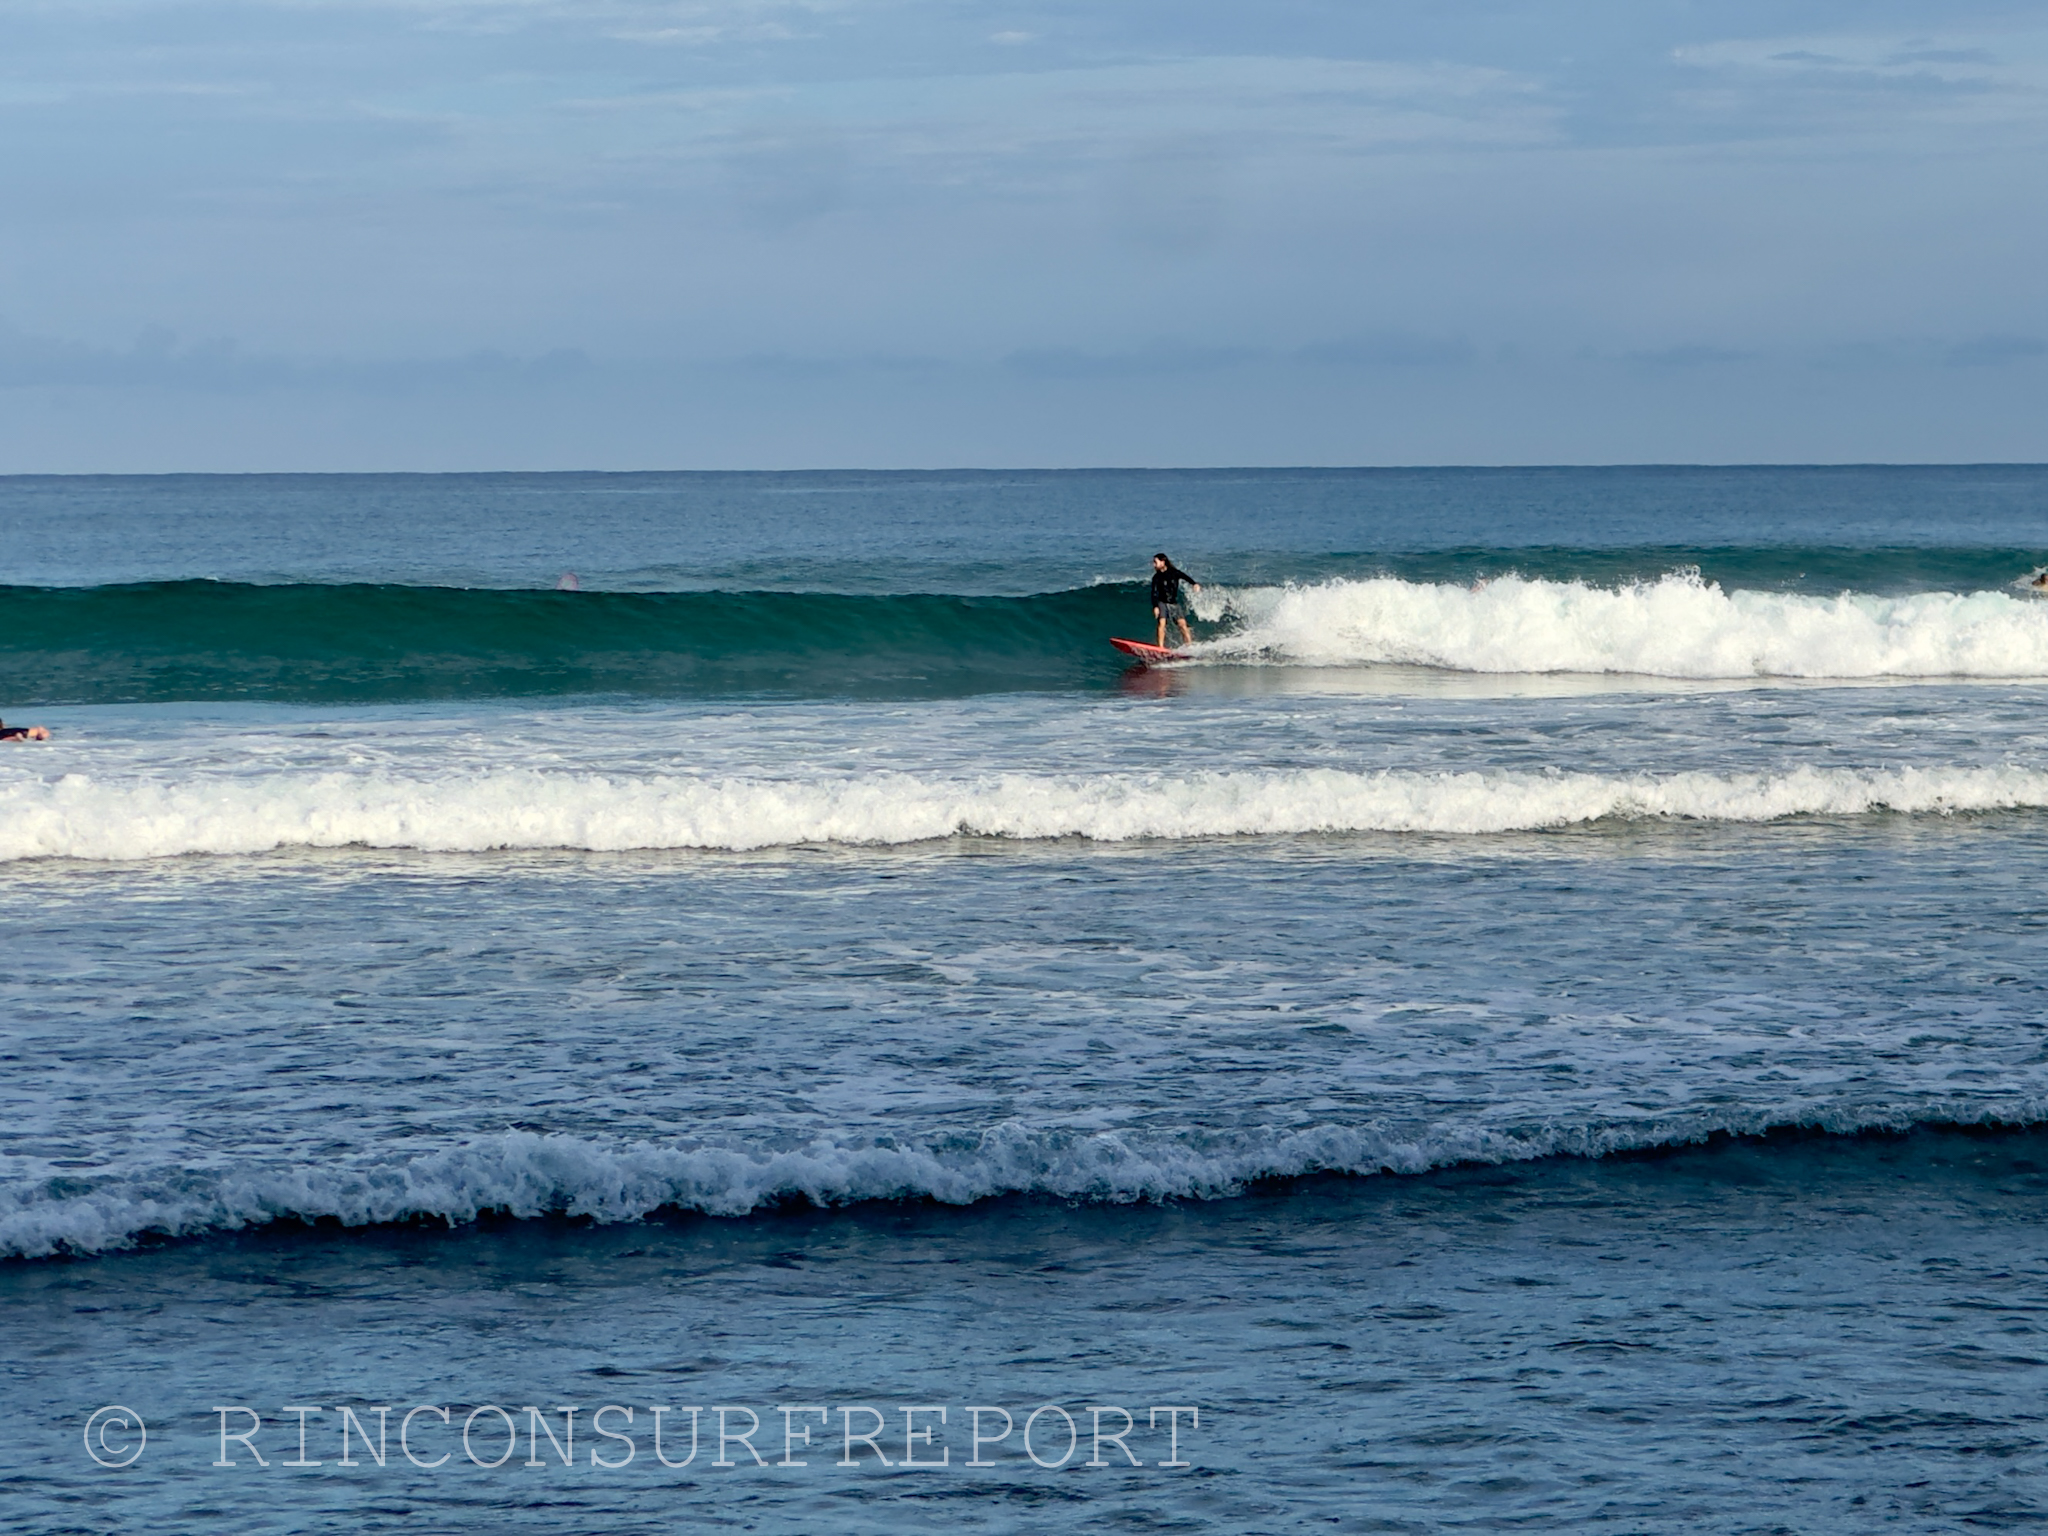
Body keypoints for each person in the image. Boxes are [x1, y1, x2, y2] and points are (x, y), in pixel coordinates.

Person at [1150, 552, 1201, 650]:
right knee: (1162, 624)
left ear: (1163, 562)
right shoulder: (1156, 577)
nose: (1154, 565)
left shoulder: (1174, 572)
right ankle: (1160, 648)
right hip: (1162, 602)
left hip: (1173, 603)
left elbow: (1186, 577)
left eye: (1155, 562)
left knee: (1182, 624)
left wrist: (1194, 584)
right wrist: (1155, 606)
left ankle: (1189, 646)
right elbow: (1154, 593)